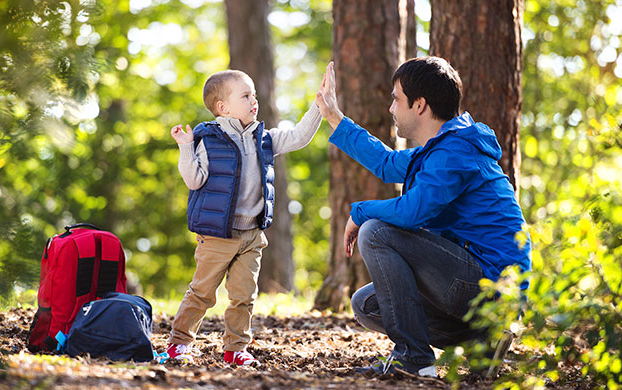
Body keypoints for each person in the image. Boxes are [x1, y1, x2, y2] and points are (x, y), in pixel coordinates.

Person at [314, 58, 531, 377]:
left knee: (375, 232)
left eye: (396, 99)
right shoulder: (440, 150)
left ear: (419, 105)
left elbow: (414, 212)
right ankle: (482, 344)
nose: (391, 108)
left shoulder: (453, 153)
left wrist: (360, 212)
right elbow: (387, 164)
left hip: (492, 286)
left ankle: (414, 359)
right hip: (475, 284)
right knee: (368, 304)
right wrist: (334, 116)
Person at [162, 69, 322, 367]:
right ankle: (179, 343)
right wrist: (185, 146)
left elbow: (299, 137)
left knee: (244, 296)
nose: (254, 101)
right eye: (246, 96)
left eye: (255, 95)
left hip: (251, 236)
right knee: (202, 292)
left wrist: (319, 107)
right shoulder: (207, 140)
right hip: (218, 236)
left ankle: (236, 348)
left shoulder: (265, 140)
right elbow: (194, 180)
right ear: (223, 107)